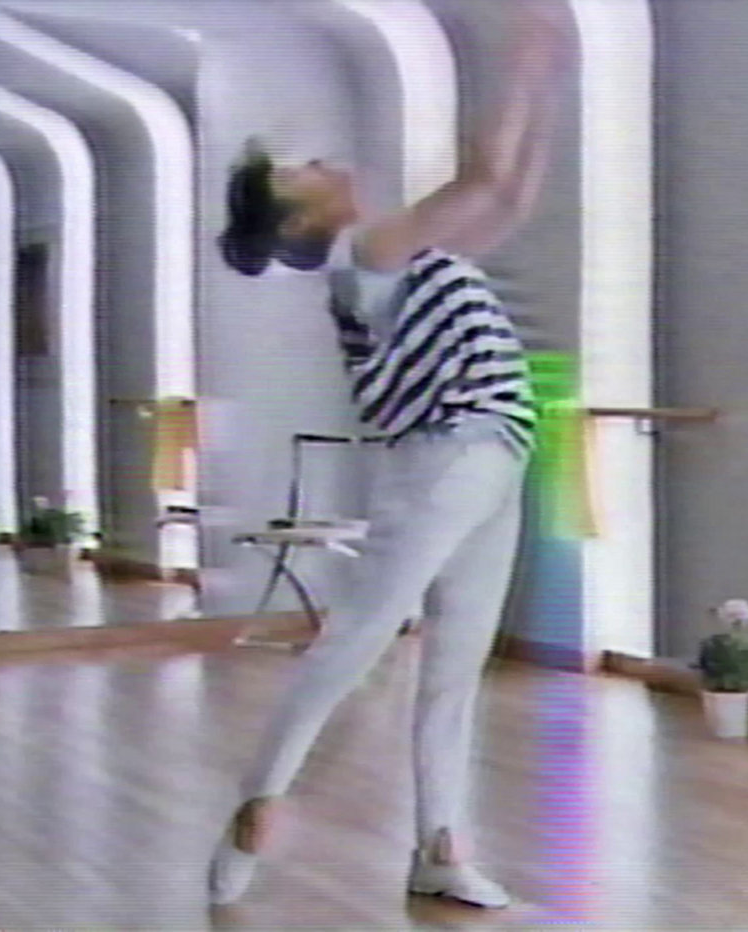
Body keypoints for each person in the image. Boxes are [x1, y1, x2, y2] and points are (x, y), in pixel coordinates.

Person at [209, 1, 572, 909]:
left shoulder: (409, 256)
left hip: (495, 457)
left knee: (454, 666)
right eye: (304, 169)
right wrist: (524, 67)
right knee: (360, 637)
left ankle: (440, 848)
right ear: (301, 213)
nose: (325, 163)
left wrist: (547, 85)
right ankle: (258, 801)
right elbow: (484, 177)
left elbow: (511, 197)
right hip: (445, 460)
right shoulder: (369, 251)